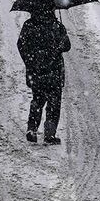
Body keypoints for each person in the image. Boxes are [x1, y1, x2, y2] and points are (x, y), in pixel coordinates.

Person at [17, 9, 71, 145]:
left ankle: (32, 129)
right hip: (54, 71)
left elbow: (21, 45)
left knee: (37, 100)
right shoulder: (56, 26)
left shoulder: (29, 25)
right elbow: (67, 45)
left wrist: (30, 61)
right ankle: (49, 134)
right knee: (54, 103)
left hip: (36, 71)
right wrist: (58, 46)